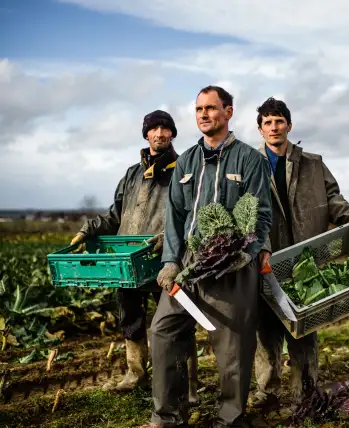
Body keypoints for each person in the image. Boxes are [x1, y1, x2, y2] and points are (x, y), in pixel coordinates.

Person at [140, 86, 272, 428]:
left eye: (211, 108)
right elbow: (175, 217)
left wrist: (245, 252)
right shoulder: (185, 161)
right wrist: (171, 261)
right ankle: (168, 416)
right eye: (199, 108)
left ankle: (230, 418)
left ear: (228, 112)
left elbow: (261, 214)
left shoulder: (249, 159)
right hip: (189, 267)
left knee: (232, 349)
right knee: (163, 332)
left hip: (232, 266)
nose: (203, 114)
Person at [252, 97, 349, 410]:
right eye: (267, 122)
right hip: (266, 259)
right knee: (266, 330)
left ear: (289, 125)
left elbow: (335, 200)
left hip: (305, 260)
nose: (274, 127)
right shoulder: (250, 165)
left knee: (304, 330)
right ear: (260, 129)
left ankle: (304, 392)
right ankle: (267, 392)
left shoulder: (312, 163)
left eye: (279, 121)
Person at [70, 110, 199, 400]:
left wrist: (168, 239)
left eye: (166, 128)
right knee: (131, 318)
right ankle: (136, 374)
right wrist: (89, 228)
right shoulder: (132, 173)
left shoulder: (184, 171)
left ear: (173, 134)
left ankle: (188, 384)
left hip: (165, 258)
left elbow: (191, 214)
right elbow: (115, 214)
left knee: (176, 321)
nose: (160, 133)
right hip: (128, 261)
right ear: (146, 134)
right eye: (154, 128)